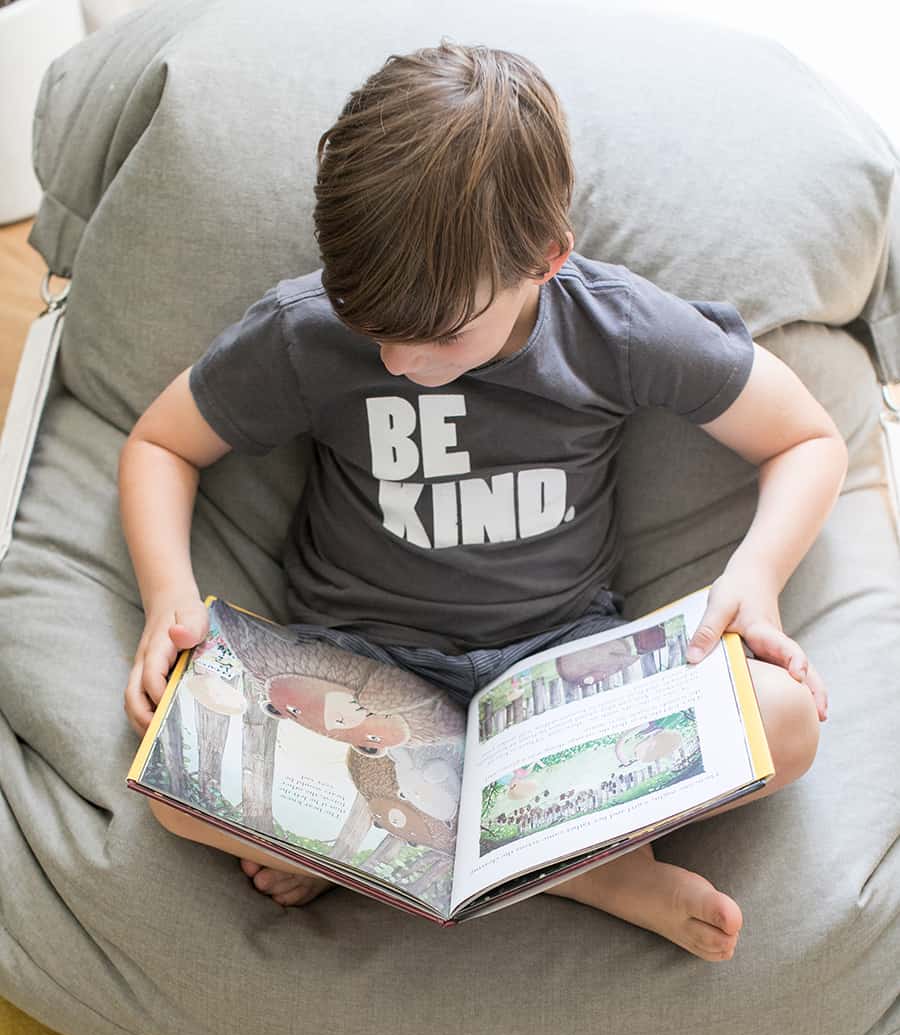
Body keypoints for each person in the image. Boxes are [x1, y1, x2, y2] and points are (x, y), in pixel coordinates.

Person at [119, 42, 848, 961]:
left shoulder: (613, 329)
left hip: (561, 672)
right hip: (359, 673)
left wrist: (757, 574)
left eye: (436, 337)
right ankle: (573, 862)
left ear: (546, 260)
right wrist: (166, 597)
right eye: (369, 328)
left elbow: (808, 437)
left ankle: (401, 845)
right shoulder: (303, 334)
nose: (396, 364)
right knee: (180, 778)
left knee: (785, 717)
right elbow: (159, 444)